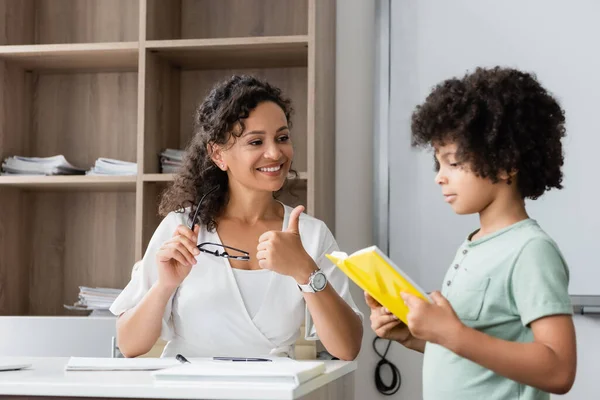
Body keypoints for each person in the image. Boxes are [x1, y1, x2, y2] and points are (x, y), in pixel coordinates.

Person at [110, 75, 363, 360]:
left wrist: (306, 272)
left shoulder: (311, 235)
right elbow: (130, 345)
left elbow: (347, 348)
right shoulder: (181, 229)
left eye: (282, 138)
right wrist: (164, 285)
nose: (275, 152)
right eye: (256, 142)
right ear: (218, 154)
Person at [367, 67, 576, 399]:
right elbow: (474, 352)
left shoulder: (530, 250)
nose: (440, 177)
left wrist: (451, 333)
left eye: (453, 162)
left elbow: (559, 369)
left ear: (506, 163)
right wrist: (416, 335)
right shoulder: (475, 244)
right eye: (439, 164)